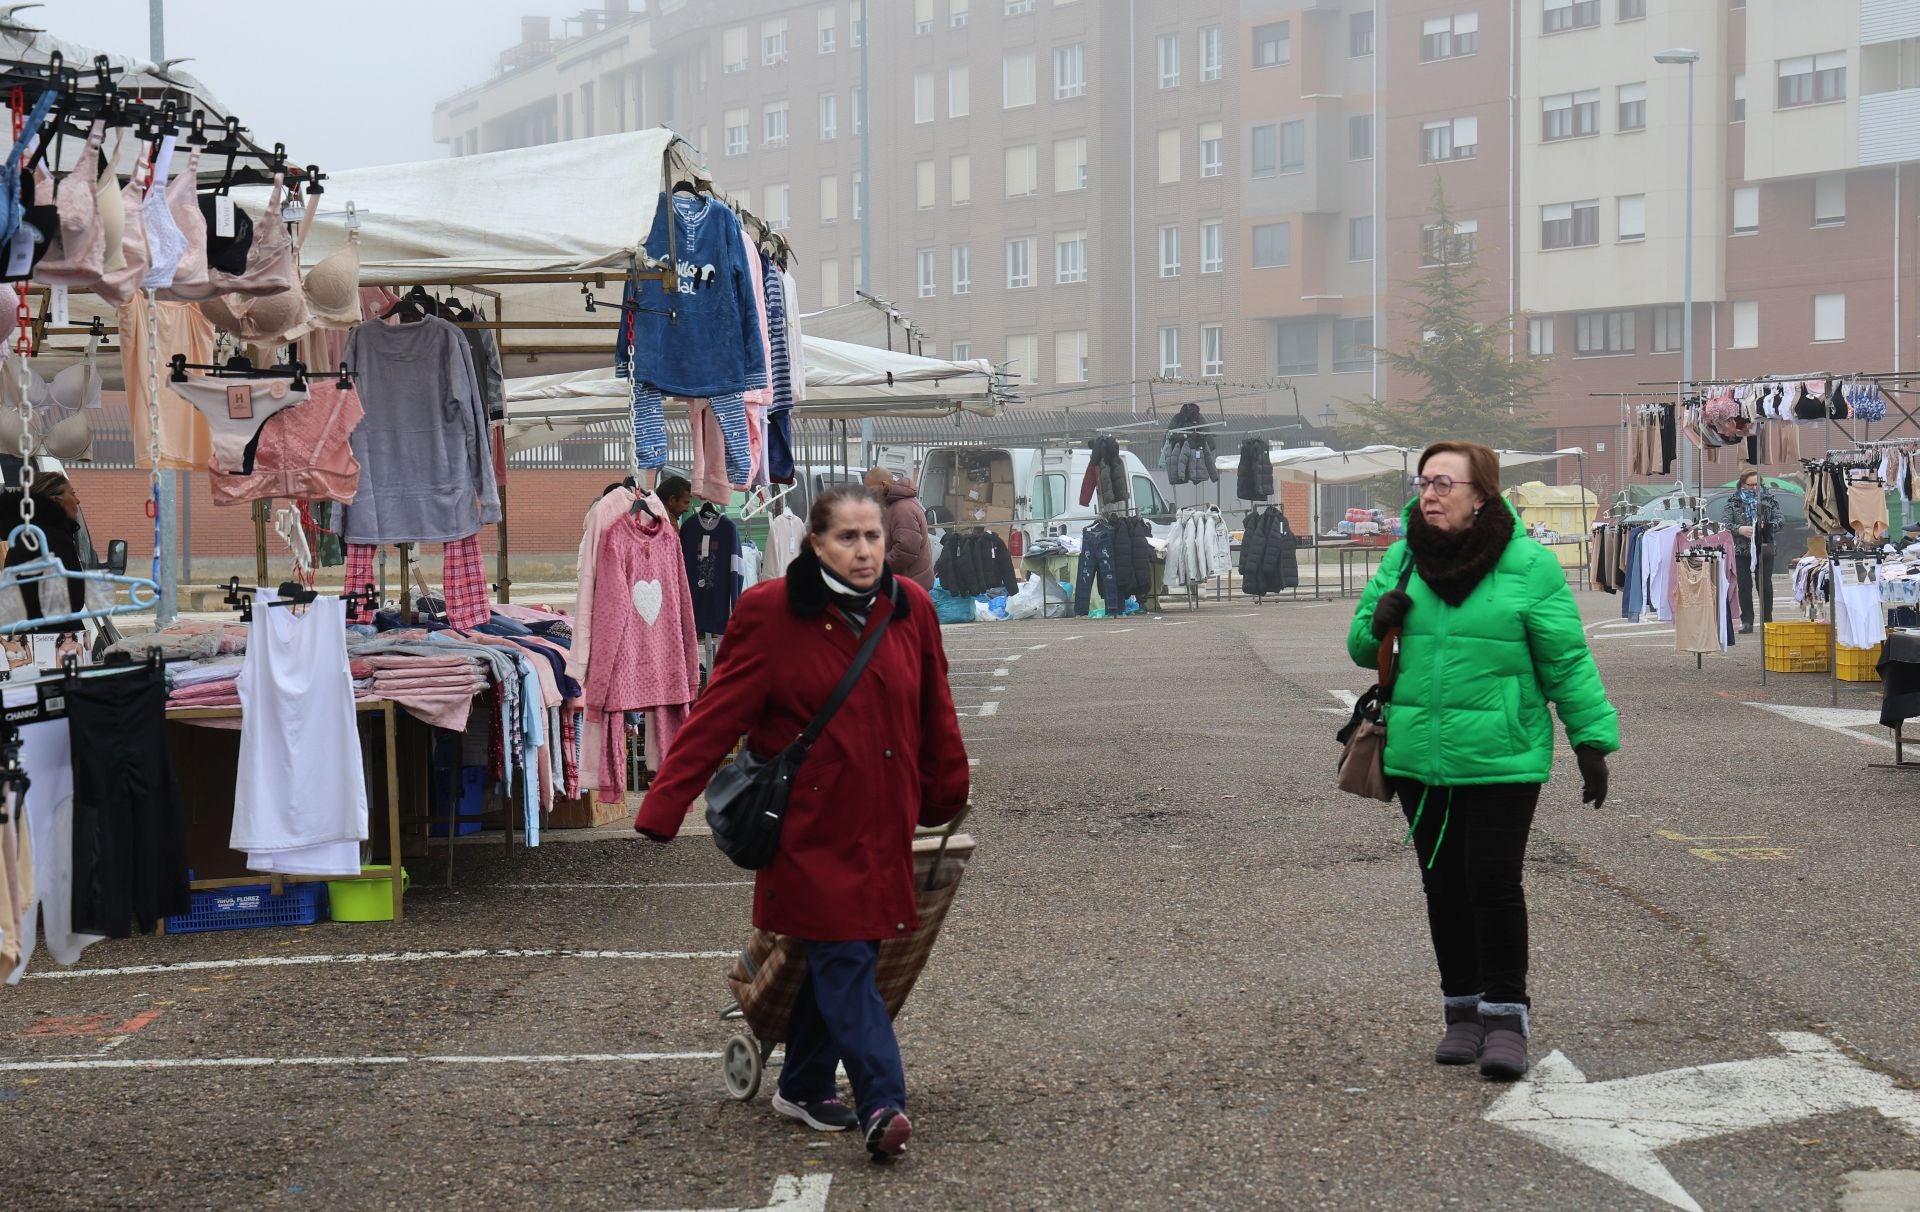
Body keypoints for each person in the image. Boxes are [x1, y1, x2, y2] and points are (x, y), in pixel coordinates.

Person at [635, 483, 970, 1158]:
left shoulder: (912, 609)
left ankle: (805, 1081)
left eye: (873, 537)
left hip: (882, 820)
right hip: (809, 830)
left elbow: (936, 705)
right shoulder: (772, 612)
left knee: (850, 952)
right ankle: (883, 1100)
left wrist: (945, 790)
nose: (865, 550)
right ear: (815, 543)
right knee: (846, 958)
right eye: (847, 538)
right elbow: (719, 713)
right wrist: (665, 804)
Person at [1348, 441, 1619, 1081]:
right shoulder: (1404, 557)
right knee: (1443, 887)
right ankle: (1461, 1015)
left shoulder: (1529, 565)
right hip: (1421, 758)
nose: (1430, 494)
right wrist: (1378, 621)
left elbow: (1566, 660)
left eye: (1445, 483)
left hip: (1503, 755)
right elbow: (1364, 646)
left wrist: (1591, 742)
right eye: (1424, 483)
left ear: (1481, 494)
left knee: (1491, 884)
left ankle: (1505, 1018)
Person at [2, 472, 87, 627]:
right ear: (56, 500)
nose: (77, 500)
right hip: (49, 640)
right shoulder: (51, 538)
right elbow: (68, 600)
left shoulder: (31, 534)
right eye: (72, 494)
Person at [1723, 468, 1781, 633]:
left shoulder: (1769, 499)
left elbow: (1780, 519)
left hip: (1764, 548)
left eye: (1757, 484)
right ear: (1742, 484)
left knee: (1765, 586)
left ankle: (1767, 621)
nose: (1755, 488)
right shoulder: (1733, 501)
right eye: (1750, 485)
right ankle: (1747, 621)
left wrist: (1766, 528)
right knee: (1744, 586)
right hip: (1742, 550)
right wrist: (1740, 529)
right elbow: (1726, 523)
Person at [863, 467, 935, 590]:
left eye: (872, 491)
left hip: (910, 587)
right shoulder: (895, 505)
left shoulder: (902, 508)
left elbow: (905, 551)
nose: (869, 496)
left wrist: (879, 567)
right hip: (907, 583)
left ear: (884, 485)